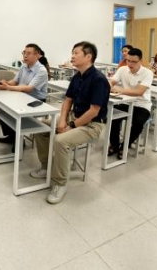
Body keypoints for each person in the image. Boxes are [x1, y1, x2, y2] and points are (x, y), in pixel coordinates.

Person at [31, 41, 110, 204]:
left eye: (76, 53)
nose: (72, 56)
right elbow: (68, 100)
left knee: (61, 140)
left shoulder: (99, 80)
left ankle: (60, 183)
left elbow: (94, 111)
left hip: (92, 125)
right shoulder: (77, 77)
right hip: (74, 118)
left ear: (88, 57)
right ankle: (46, 166)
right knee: (40, 127)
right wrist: (62, 120)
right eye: (72, 53)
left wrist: (71, 126)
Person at [0, 43, 48, 151]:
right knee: (1, 107)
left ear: (37, 55)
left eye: (28, 53)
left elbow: (28, 88)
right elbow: (15, 81)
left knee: (13, 110)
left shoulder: (41, 70)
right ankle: (12, 136)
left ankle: (19, 140)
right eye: (24, 52)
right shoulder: (24, 66)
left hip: (36, 101)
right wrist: (6, 83)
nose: (25, 55)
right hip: (22, 96)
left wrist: (8, 87)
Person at [109, 48, 153, 159]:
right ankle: (114, 144)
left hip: (142, 105)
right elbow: (112, 82)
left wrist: (119, 89)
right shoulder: (122, 69)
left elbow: (139, 92)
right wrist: (109, 86)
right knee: (113, 117)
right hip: (125, 103)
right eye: (128, 60)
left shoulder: (147, 73)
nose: (130, 64)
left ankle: (125, 146)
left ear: (140, 61)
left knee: (138, 122)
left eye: (134, 61)